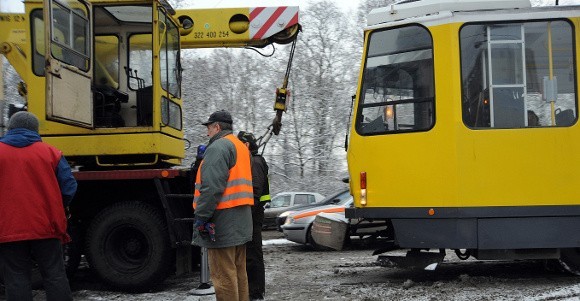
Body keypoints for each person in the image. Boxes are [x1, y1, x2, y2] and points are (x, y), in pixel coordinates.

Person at [0, 111, 77, 301]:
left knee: (16, 277)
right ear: (35, 130)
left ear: (10, 128)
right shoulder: (51, 153)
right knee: (54, 275)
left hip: (8, 227)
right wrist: (59, 206)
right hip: (46, 226)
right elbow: (69, 187)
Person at [192, 110, 254, 301]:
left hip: (222, 221)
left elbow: (211, 188)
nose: (207, 133)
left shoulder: (218, 147)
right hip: (241, 220)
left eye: (209, 128)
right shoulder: (241, 147)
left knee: (223, 276)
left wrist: (201, 216)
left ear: (217, 127)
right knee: (238, 272)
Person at [237, 131, 270, 301]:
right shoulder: (254, 161)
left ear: (247, 145)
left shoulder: (255, 162)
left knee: (253, 255)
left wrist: (246, 213)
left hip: (253, 214)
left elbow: (255, 191)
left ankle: (255, 292)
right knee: (250, 254)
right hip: (253, 214)